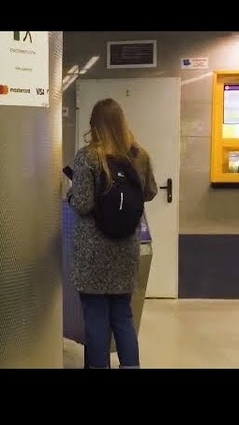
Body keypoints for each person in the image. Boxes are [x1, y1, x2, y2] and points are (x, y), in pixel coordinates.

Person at [67, 98, 158, 369]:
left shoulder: (88, 156)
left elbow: (82, 204)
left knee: (96, 318)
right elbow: (150, 192)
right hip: (126, 250)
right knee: (123, 316)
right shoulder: (140, 156)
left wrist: (72, 193)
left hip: (93, 253)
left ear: (95, 125)